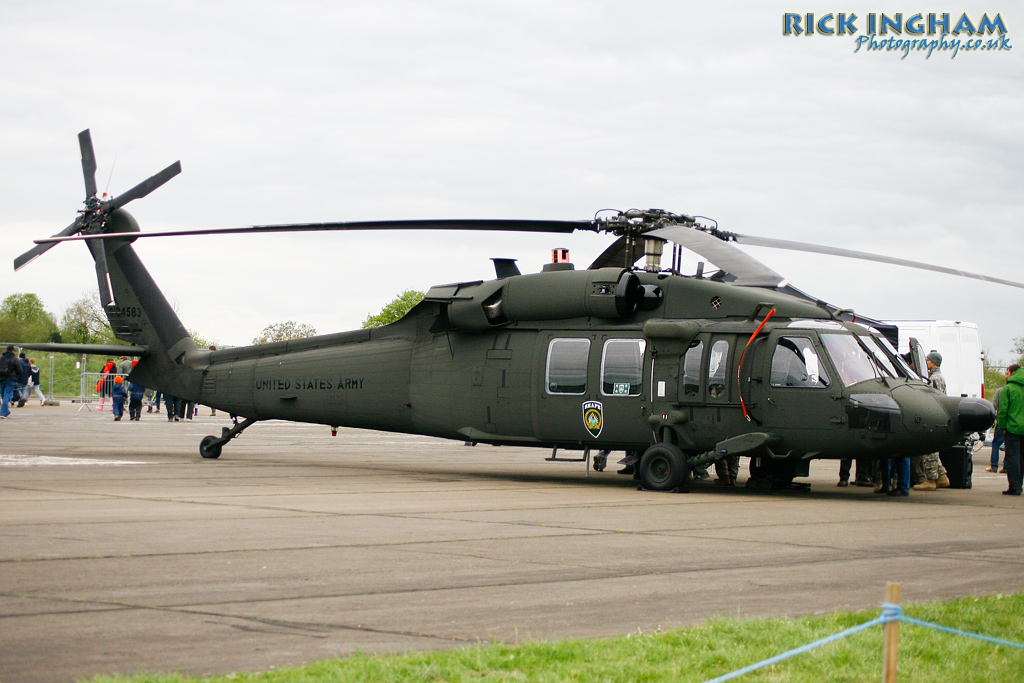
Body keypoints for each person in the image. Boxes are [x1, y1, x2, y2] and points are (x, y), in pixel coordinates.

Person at [913, 351, 951, 491]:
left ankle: (930, 479)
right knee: (933, 451)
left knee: (929, 450)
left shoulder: (933, 378)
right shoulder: (939, 376)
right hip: (940, 415)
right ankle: (941, 476)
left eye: (928, 360)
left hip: (933, 415)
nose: (926, 362)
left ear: (933, 362)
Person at [998, 363, 1023, 496]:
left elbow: (1003, 410)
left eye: (1007, 373)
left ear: (1012, 373)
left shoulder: (1008, 388)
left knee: (1013, 457)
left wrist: (1003, 427)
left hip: (1013, 428)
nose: (1006, 376)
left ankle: (1015, 486)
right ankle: (1020, 484)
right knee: (1022, 458)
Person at [987, 369, 1011, 473]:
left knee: (996, 443)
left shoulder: (1000, 391)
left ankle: (994, 466)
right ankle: (1006, 466)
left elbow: (993, 407)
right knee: (1009, 445)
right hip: (1014, 423)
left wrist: (992, 420)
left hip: (1002, 421)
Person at [0, 345, 20, 419]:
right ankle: (3, 412)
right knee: (7, 396)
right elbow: (20, 370)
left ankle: (5, 411)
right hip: (11, 379)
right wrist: (17, 376)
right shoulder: (15, 359)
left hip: (1, 379)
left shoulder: (1, 358)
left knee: (3, 396)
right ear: (12, 350)